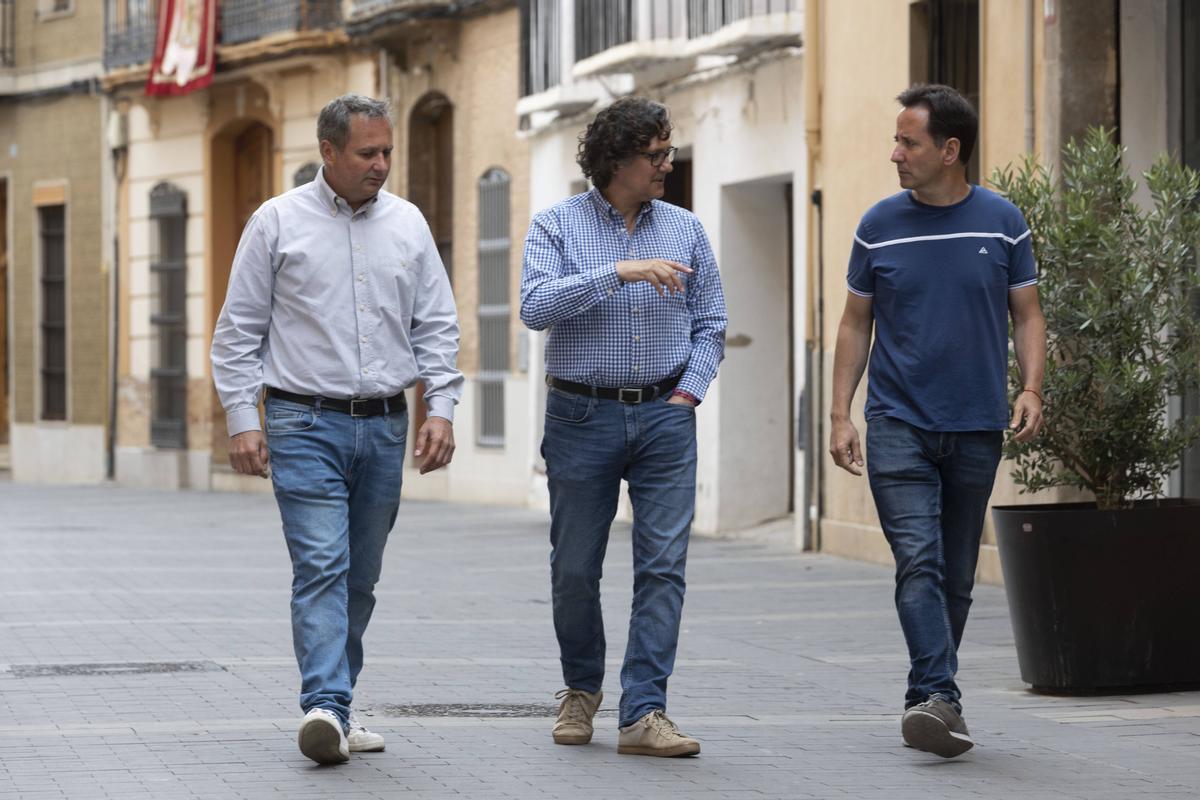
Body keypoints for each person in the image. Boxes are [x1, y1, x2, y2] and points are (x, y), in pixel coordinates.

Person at [211, 94, 462, 765]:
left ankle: (338, 705)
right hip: (302, 420)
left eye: (386, 152)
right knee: (322, 564)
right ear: (328, 152)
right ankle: (324, 703)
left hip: (383, 425)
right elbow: (238, 331)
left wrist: (441, 406)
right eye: (367, 153)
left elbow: (436, 324)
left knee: (361, 577)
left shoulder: (407, 225)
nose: (381, 164)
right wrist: (244, 420)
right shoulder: (276, 223)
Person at [829, 84, 1046, 759]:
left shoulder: (1003, 222)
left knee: (954, 574)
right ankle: (936, 694)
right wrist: (840, 413)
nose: (895, 153)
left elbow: (1028, 314)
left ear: (950, 150)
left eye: (909, 142)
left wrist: (1033, 386)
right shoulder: (877, 225)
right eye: (897, 141)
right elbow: (854, 323)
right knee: (918, 560)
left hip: (978, 423)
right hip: (897, 422)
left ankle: (932, 697)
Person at [520, 97, 727, 758]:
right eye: (655, 155)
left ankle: (644, 711)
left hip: (666, 414)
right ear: (616, 160)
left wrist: (689, 394)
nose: (667, 164)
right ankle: (580, 689)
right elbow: (534, 306)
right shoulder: (556, 226)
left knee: (663, 566)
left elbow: (711, 323)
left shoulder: (686, 227)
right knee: (575, 567)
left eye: (668, 152)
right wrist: (618, 271)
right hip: (581, 414)